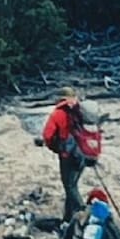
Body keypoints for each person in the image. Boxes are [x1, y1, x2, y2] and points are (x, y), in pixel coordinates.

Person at [42, 86, 88, 223]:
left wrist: (55, 148)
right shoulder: (81, 110)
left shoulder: (57, 114)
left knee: (70, 186)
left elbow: (47, 135)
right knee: (72, 185)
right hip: (83, 152)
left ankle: (83, 212)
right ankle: (68, 217)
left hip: (68, 155)